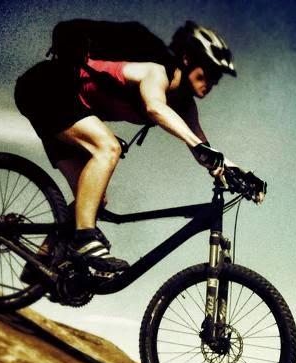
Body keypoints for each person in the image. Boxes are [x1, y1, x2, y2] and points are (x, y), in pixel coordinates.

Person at [14, 21, 244, 276]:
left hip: (63, 106)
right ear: (188, 58)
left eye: (217, 78)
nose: (212, 82)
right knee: (108, 148)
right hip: (46, 88)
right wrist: (200, 147)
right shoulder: (158, 73)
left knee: (94, 199)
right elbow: (155, 108)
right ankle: (84, 241)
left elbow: (202, 145)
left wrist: (237, 172)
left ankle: (40, 262)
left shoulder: (185, 105)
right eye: (209, 72)